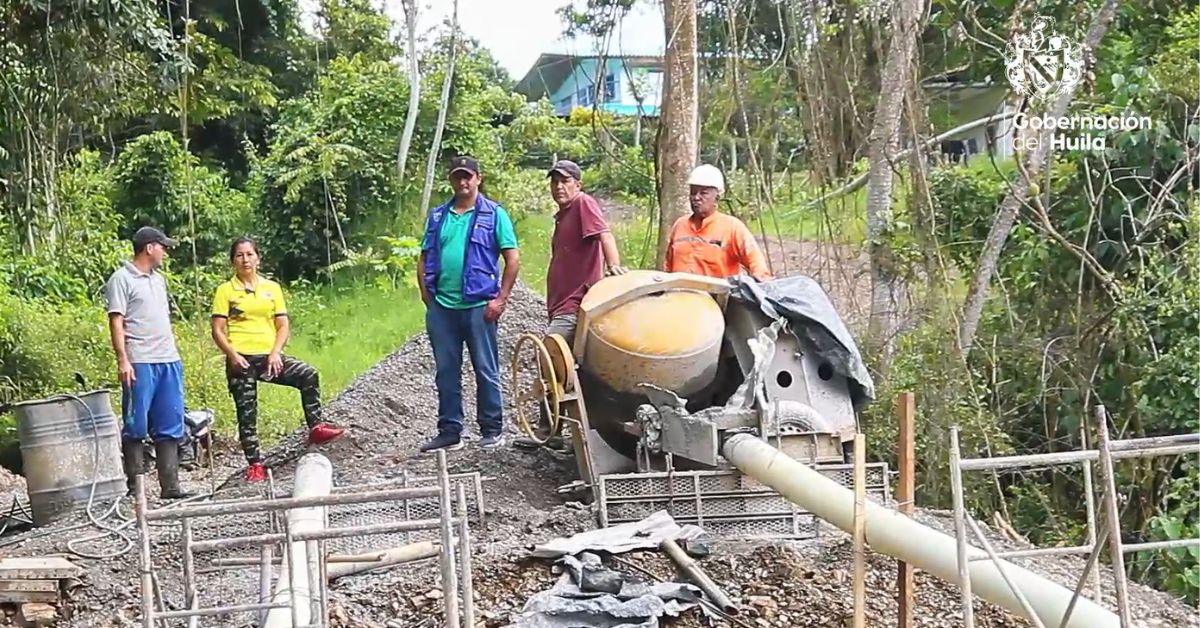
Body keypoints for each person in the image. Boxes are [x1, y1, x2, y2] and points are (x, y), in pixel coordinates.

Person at [210, 237, 345, 482]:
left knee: (308, 374)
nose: (245, 259)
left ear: (258, 258)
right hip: (240, 356)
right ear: (233, 261)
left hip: (268, 353)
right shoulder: (226, 291)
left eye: (250, 254)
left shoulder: (271, 288)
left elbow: (282, 325)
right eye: (240, 255)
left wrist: (275, 352)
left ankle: (315, 426)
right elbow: (217, 329)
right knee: (247, 413)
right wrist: (232, 355)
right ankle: (255, 464)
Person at [417, 156, 520, 453]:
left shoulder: (494, 214)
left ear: (478, 178)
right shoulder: (439, 216)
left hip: (478, 305)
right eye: (457, 177)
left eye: (468, 177)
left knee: (485, 368)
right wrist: (427, 295)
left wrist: (501, 299)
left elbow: (512, 258)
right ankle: (450, 430)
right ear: (451, 180)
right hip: (443, 307)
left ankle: (492, 429)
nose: (463, 182)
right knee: (446, 370)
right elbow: (424, 257)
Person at [104, 226, 193, 499]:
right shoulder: (121, 279)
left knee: (170, 422)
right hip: (140, 359)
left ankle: (171, 487)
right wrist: (123, 360)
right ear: (150, 247)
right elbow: (116, 321)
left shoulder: (158, 280)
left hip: (167, 358)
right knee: (136, 423)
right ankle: (136, 488)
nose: (165, 252)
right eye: (162, 246)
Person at [544, 159, 627, 344]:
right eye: (554, 182)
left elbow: (604, 234)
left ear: (578, 185)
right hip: (559, 304)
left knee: (550, 350)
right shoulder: (563, 214)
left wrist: (614, 267)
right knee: (566, 364)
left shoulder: (583, 202)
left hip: (574, 304)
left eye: (565, 181)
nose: (558, 187)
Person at [663, 164, 773, 281]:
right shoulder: (680, 225)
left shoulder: (732, 227)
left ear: (717, 197)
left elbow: (754, 259)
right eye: (693, 192)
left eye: (704, 193)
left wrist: (762, 280)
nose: (696, 197)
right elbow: (668, 266)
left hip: (716, 297)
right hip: (679, 295)